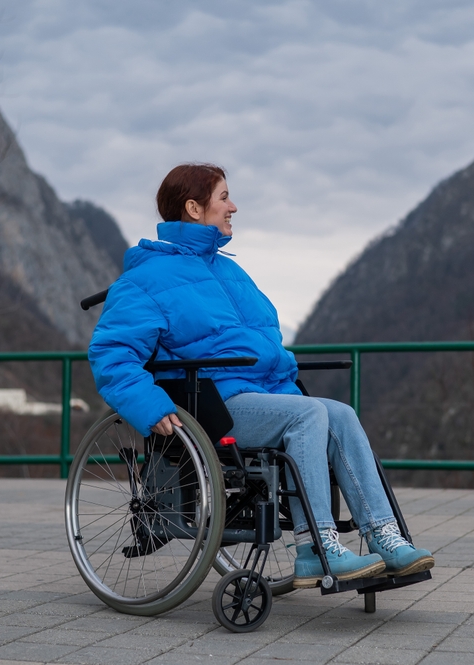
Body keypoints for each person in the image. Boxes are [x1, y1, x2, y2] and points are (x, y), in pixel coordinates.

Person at [88, 163, 434, 588]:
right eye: (223, 198)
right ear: (194, 208)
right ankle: (315, 548)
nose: (233, 207)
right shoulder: (144, 280)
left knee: (339, 413)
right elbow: (111, 354)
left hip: (264, 393)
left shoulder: (229, 271)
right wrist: (150, 406)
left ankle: (384, 536)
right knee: (307, 416)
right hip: (214, 403)